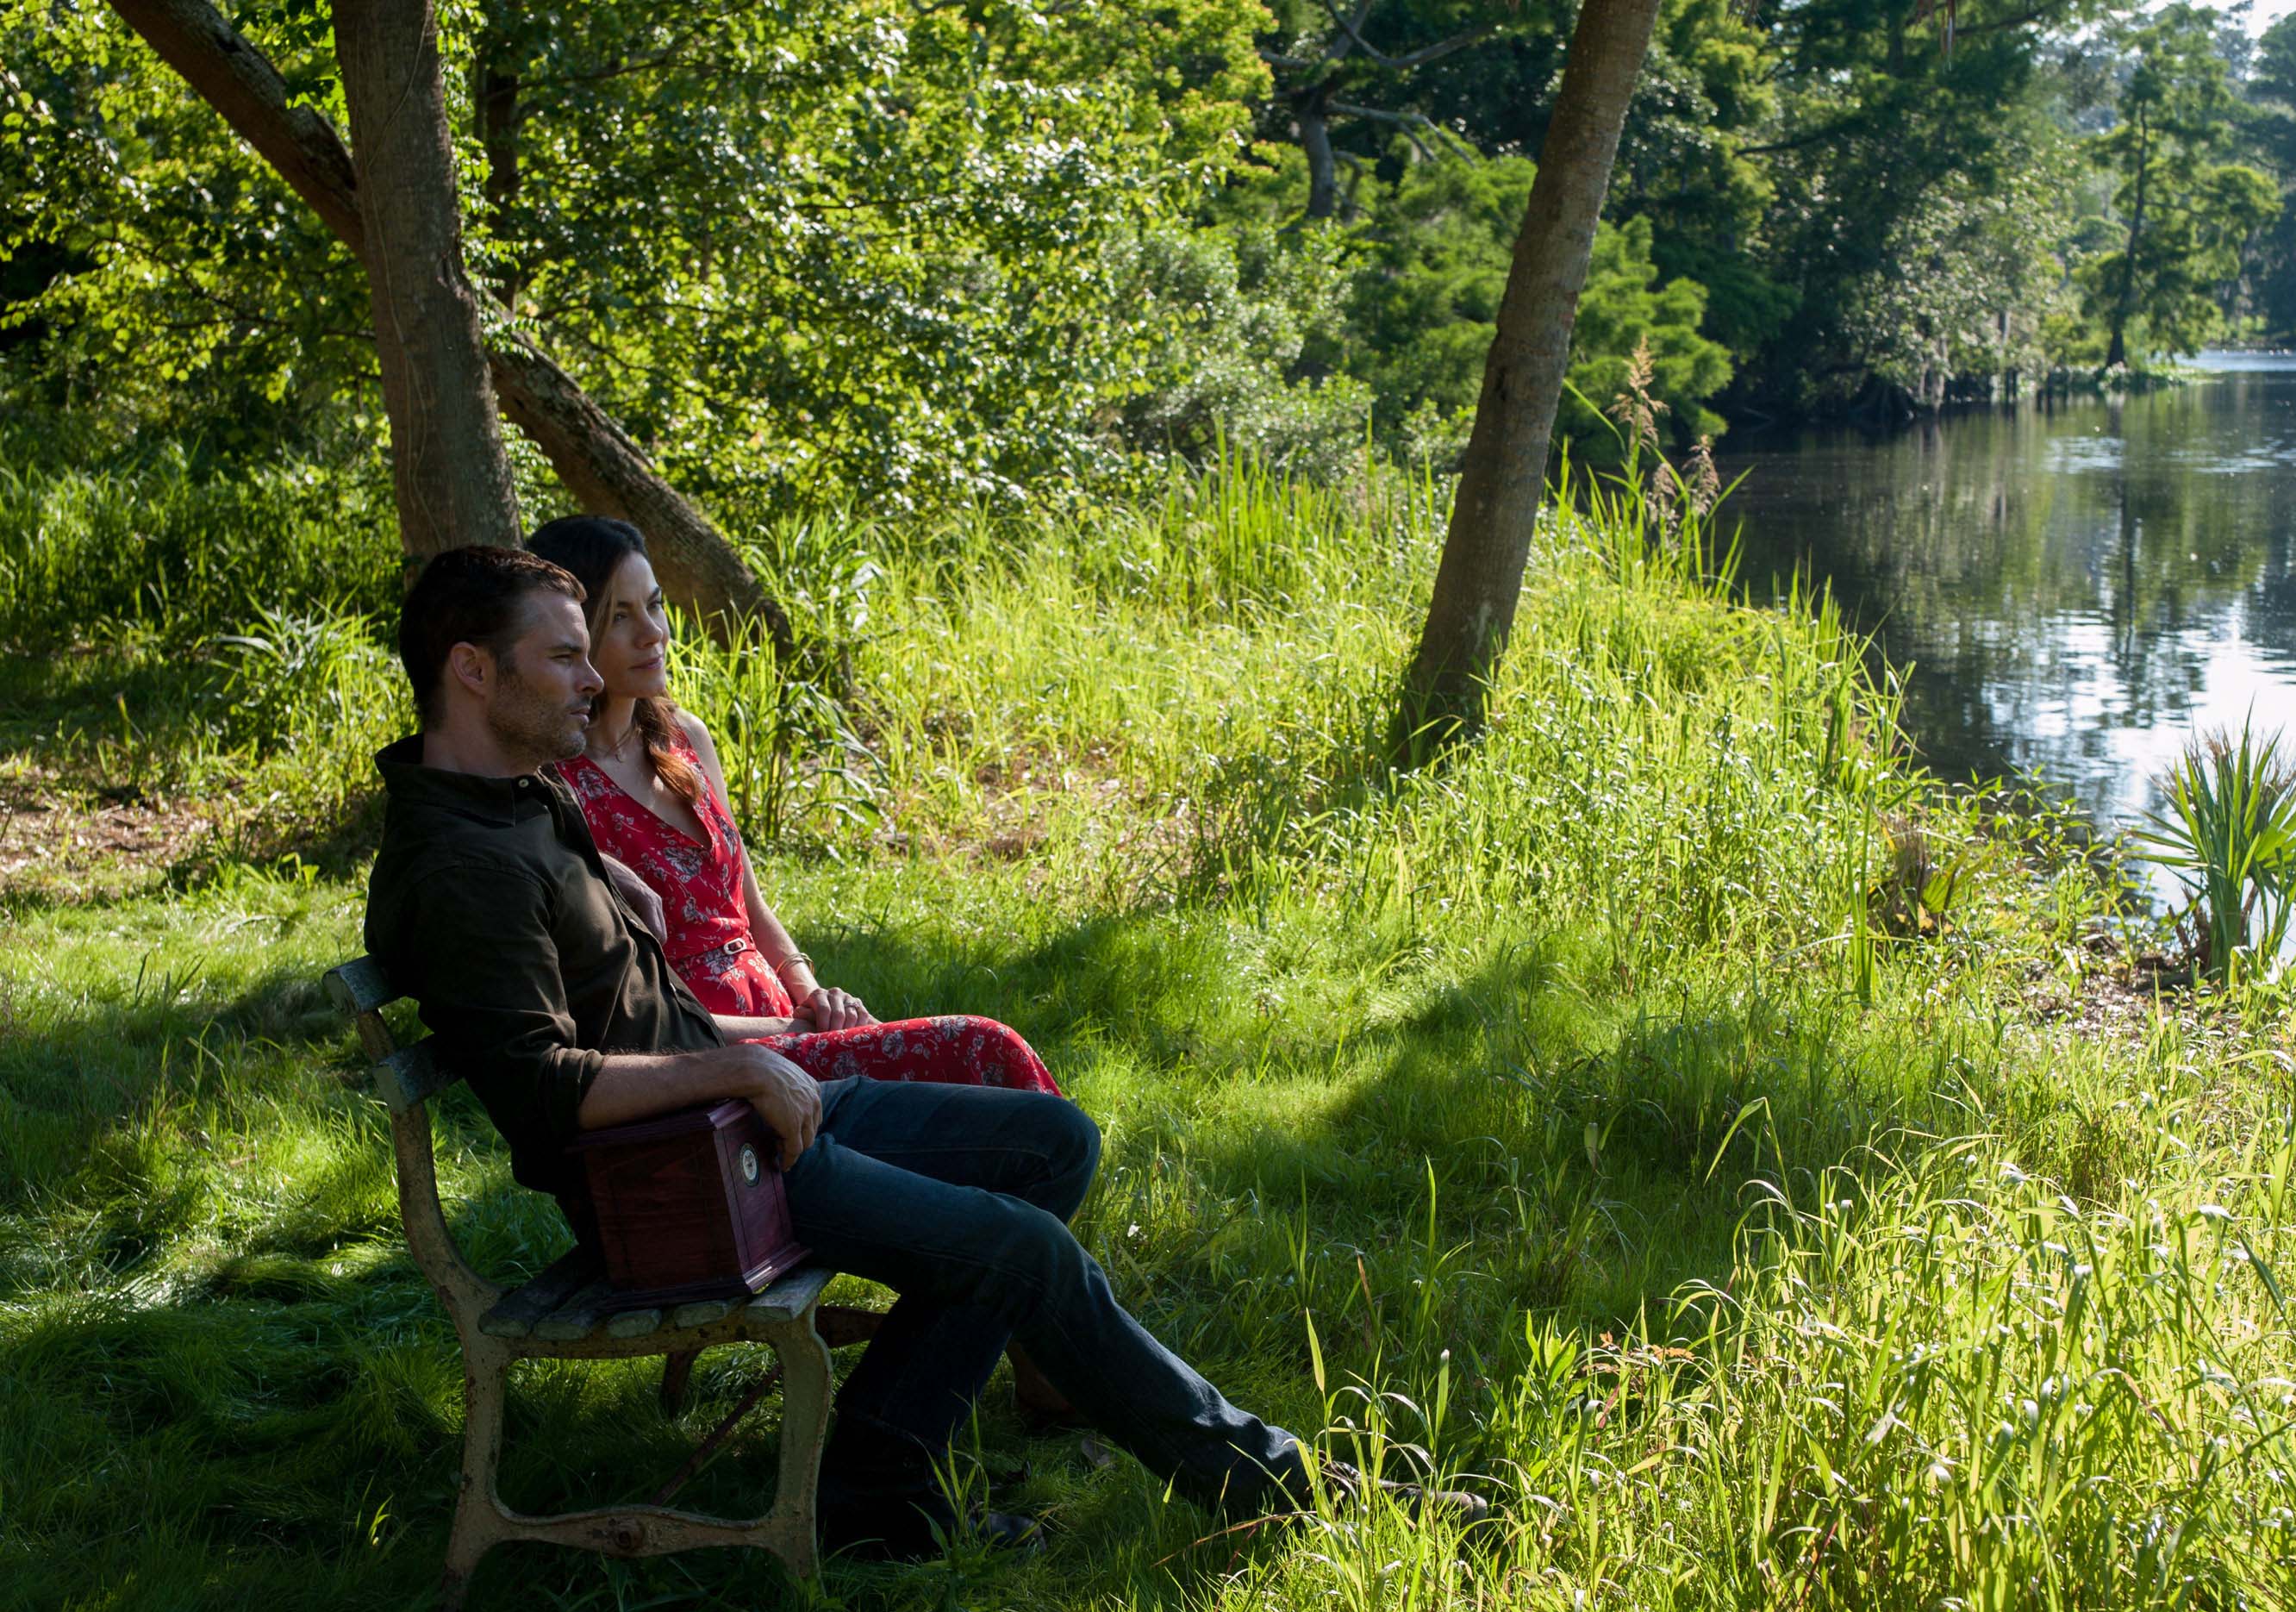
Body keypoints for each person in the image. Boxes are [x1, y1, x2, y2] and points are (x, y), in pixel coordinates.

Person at [362, 546, 1482, 1559]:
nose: (589, 681)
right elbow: (541, 1089)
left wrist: (654, 927)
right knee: (1022, 1253)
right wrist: (747, 1064)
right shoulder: (461, 864)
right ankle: (1274, 1488)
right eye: (563, 657)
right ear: (471, 669)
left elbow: (616, 954)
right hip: (682, 1176)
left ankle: (876, 1481)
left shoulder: (507, 803)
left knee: (1048, 1144)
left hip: (740, 1121)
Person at [524, 514, 1058, 1097]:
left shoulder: (685, 739)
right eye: (619, 616)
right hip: (706, 1054)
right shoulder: (557, 787)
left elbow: (748, 905)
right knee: (982, 1048)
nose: (652, 632)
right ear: (573, 633)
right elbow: (632, 999)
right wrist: (790, 1028)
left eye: (654, 605)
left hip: (784, 1018)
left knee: (968, 1079)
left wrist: (814, 994)